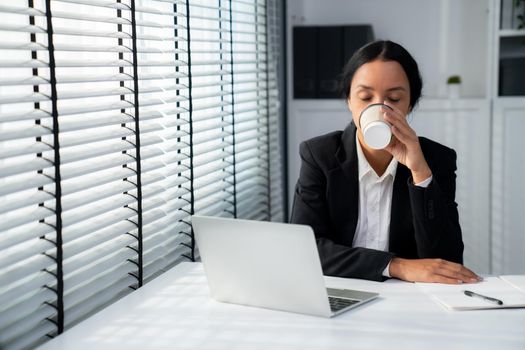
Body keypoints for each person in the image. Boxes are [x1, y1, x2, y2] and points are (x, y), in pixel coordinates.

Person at [290, 40, 481, 284]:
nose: (381, 109)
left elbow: (446, 262)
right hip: (339, 290)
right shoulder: (320, 155)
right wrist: (395, 265)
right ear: (349, 100)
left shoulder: (436, 159)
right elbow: (305, 249)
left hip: (407, 300)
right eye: (366, 97)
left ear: (410, 103)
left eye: (394, 98)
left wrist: (420, 172)